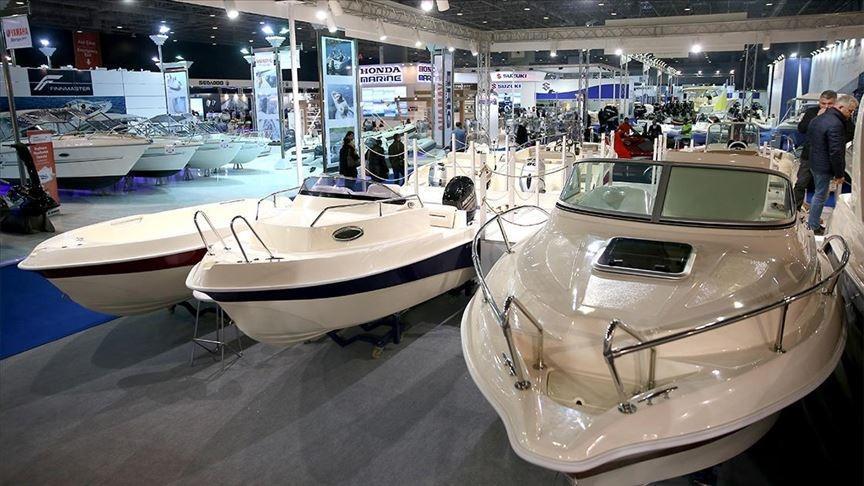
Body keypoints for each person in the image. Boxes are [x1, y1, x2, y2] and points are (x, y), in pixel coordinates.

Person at [806, 94, 859, 235]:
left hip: (814, 162)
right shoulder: (836, 124)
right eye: (850, 111)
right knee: (820, 196)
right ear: (841, 107)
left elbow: (810, 138)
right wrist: (839, 174)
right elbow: (836, 152)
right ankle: (813, 226)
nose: (851, 114)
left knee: (819, 194)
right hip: (824, 166)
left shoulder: (819, 118)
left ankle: (813, 222)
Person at [793, 90, 837, 211]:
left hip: (826, 158)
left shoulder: (838, 116)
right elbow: (801, 129)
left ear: (835, 103)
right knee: (801, 183)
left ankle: (815, 215)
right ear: (819, 102)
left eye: (830, 104)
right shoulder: (811, 112)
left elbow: (849, 132)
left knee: (821, 189)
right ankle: (795, 210)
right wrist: (817, 118)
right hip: (808, 155)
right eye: (823, 103)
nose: (826, 107)